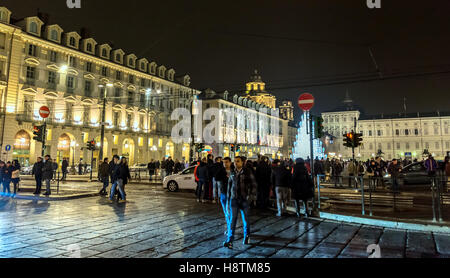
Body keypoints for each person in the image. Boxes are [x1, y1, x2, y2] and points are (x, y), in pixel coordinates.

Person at [223, 156, 257, 249]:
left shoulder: (247, 172)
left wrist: (250, 198)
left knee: (246, 219)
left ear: (242, 162)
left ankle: (247, 236)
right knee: (232, 220)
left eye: (238, 161)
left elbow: (254, 185)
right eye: (235, 161)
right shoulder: (233, 172)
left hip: (244, 199)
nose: (235, 163)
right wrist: (228, 201)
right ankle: (230, 240)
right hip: (234, 200)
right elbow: (229, 187)